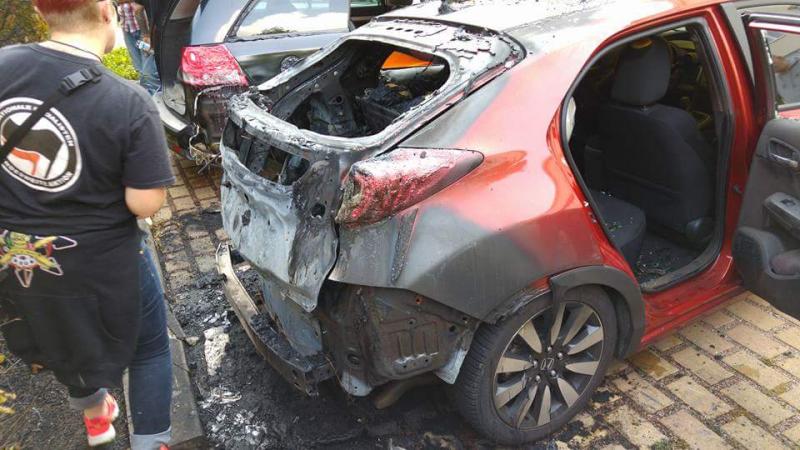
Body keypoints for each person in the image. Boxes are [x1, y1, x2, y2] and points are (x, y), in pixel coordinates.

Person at [0, 0, 175, 448]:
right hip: (102, 261)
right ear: (105, 13)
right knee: (150, 347)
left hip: (19, 253)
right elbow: (144, 203)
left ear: (42, 14)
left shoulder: (3, 65)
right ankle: (150, 442)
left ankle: (97, 417)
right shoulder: (128, 100)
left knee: (58, 330)